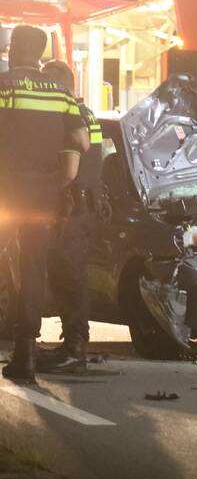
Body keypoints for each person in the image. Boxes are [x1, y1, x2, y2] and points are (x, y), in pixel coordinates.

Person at [0, 26, 88, 383]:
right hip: (43, 196)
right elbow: (82, 140)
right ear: (39, 53)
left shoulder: (5, 85)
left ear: (12, 49)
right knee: (32, 268)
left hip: (6, 189)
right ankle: (26, 354)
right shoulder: (59, 92)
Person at [36, 60, 102, 373]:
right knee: (67, 274)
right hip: (83, 205)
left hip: (72, 207)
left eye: (47, 82)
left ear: (60, 84)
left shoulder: (69, 117)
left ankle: (75, 348)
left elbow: (68, 168)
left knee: (68, 274)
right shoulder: (85, 114)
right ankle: (72, 344)